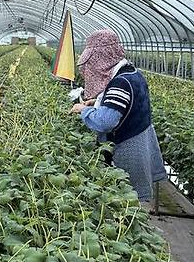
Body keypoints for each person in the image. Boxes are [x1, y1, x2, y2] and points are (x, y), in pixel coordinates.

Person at [70, 29, 166, 203]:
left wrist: (82, 110)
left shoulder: (120, 83)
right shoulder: (132, 74)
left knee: (123, 200)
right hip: (140, 142)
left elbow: (105, 122)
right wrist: (96, 103)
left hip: (127, 149)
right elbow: (123, 106)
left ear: (101, 58)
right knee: (129, 200)